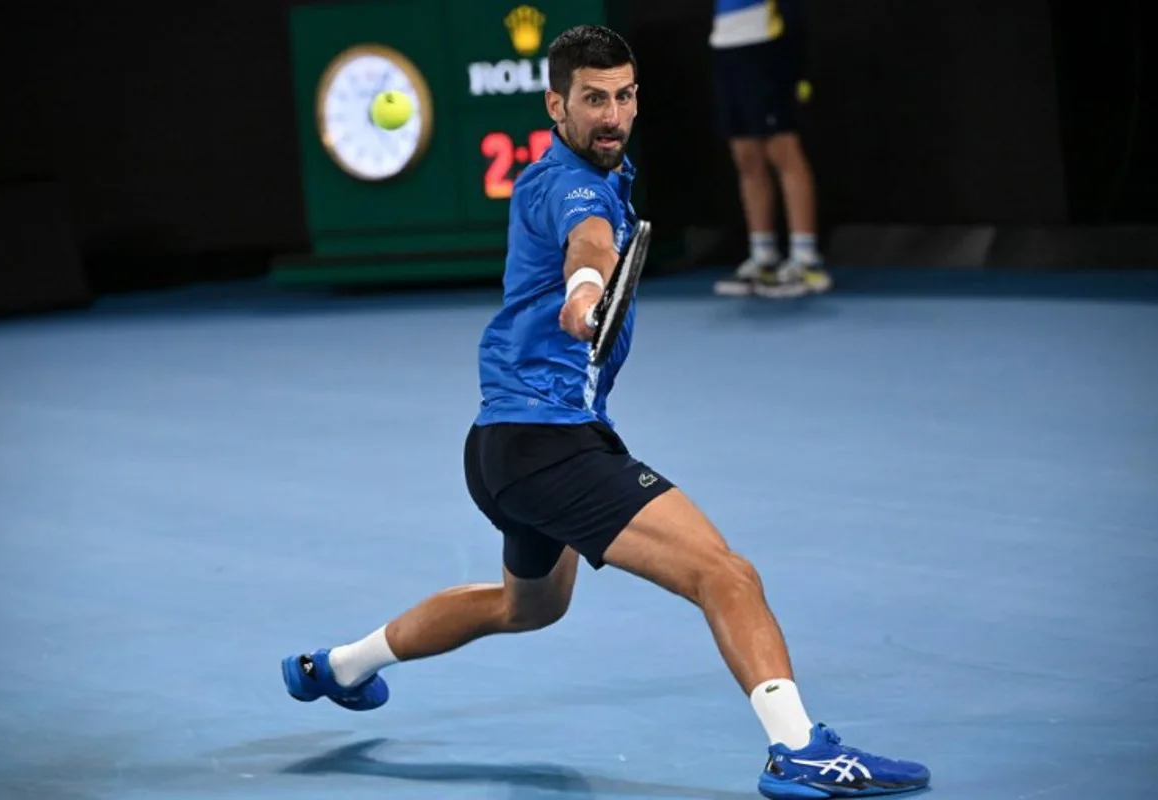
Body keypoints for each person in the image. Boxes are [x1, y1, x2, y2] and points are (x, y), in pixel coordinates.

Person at [281, 24, 929, 799]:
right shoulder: (572, 185)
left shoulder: (592, 173)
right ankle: (799, 749)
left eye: (623, 97)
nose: (613, 115)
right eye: (593, 100)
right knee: (726, 575)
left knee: (528, 607)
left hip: (501, 449)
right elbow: (587, 246)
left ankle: (337, 668)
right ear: (556, 105)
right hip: (549, 446)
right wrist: (586, 294)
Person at [709, 0, 832, 299]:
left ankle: (806, 260)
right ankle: (764, 256)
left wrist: (796, 65)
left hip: (766, 43)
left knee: (782, 149)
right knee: (746, 154)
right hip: (726, 41)